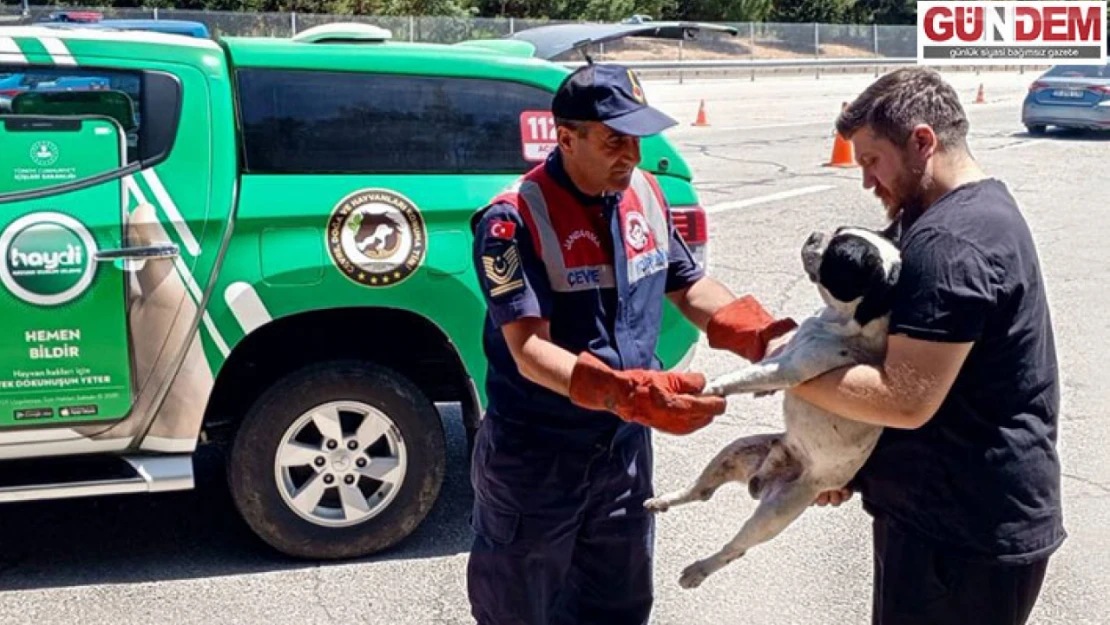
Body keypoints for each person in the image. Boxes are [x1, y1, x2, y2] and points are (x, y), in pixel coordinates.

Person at [466, 62, 797, 625]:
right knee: (520, 609)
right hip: (537, 455)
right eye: (613, 140)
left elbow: (687, 283)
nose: (632, 156)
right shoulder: (513, 219)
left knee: (618, 606)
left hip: (622, 454)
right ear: (565, 138)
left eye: (638, 139)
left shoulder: (644, 195)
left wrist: (763, 339)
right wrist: (623, 392)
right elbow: (527, 350)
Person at [789, 67, 1066, 625]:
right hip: (953, 519)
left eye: (872, 160)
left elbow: (903, 398)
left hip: (961, 539)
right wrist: (852, 468)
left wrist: (788, 370)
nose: (867, 181)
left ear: (922, 142)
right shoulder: (969, 211)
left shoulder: (950, 242)